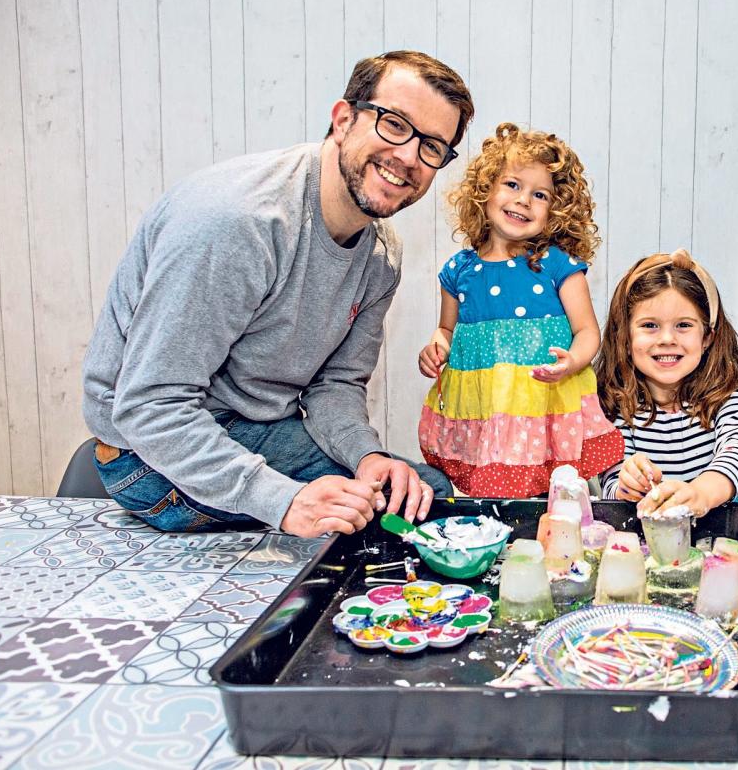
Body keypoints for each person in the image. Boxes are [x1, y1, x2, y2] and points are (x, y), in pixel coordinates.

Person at [82, 51, 474, 538]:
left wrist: (366, 456)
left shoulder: (381, 256)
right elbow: (149, 406)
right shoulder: (238, 222)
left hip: (260, 431)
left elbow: (335, 386)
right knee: (376, 527)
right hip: (146, 455)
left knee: (431, 500)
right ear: (344, 118)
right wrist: (285, 502)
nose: (409, 157)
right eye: (395, 124)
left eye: (432, 147)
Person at [417, 123, 624, 497]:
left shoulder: (557, 265)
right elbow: (446, 331)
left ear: (557, 210)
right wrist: (436, 349)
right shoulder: (459, 270)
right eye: (512, 185)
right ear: (486, 189)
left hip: (543, 402)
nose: (524, 200)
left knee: (555, 498)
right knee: (491, 495)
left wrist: (572, 361)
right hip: (487, 407)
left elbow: (588, 332)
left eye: (540, 194)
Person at [595, 250, 738, 518]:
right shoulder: (614, 403)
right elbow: (613, 485)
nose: (667, 338)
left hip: (714, 539)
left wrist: (701, 494)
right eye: (650, 325)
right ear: (625, 338)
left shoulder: (728, 398)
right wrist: (628, 484)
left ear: (708, 337)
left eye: (683, 325)